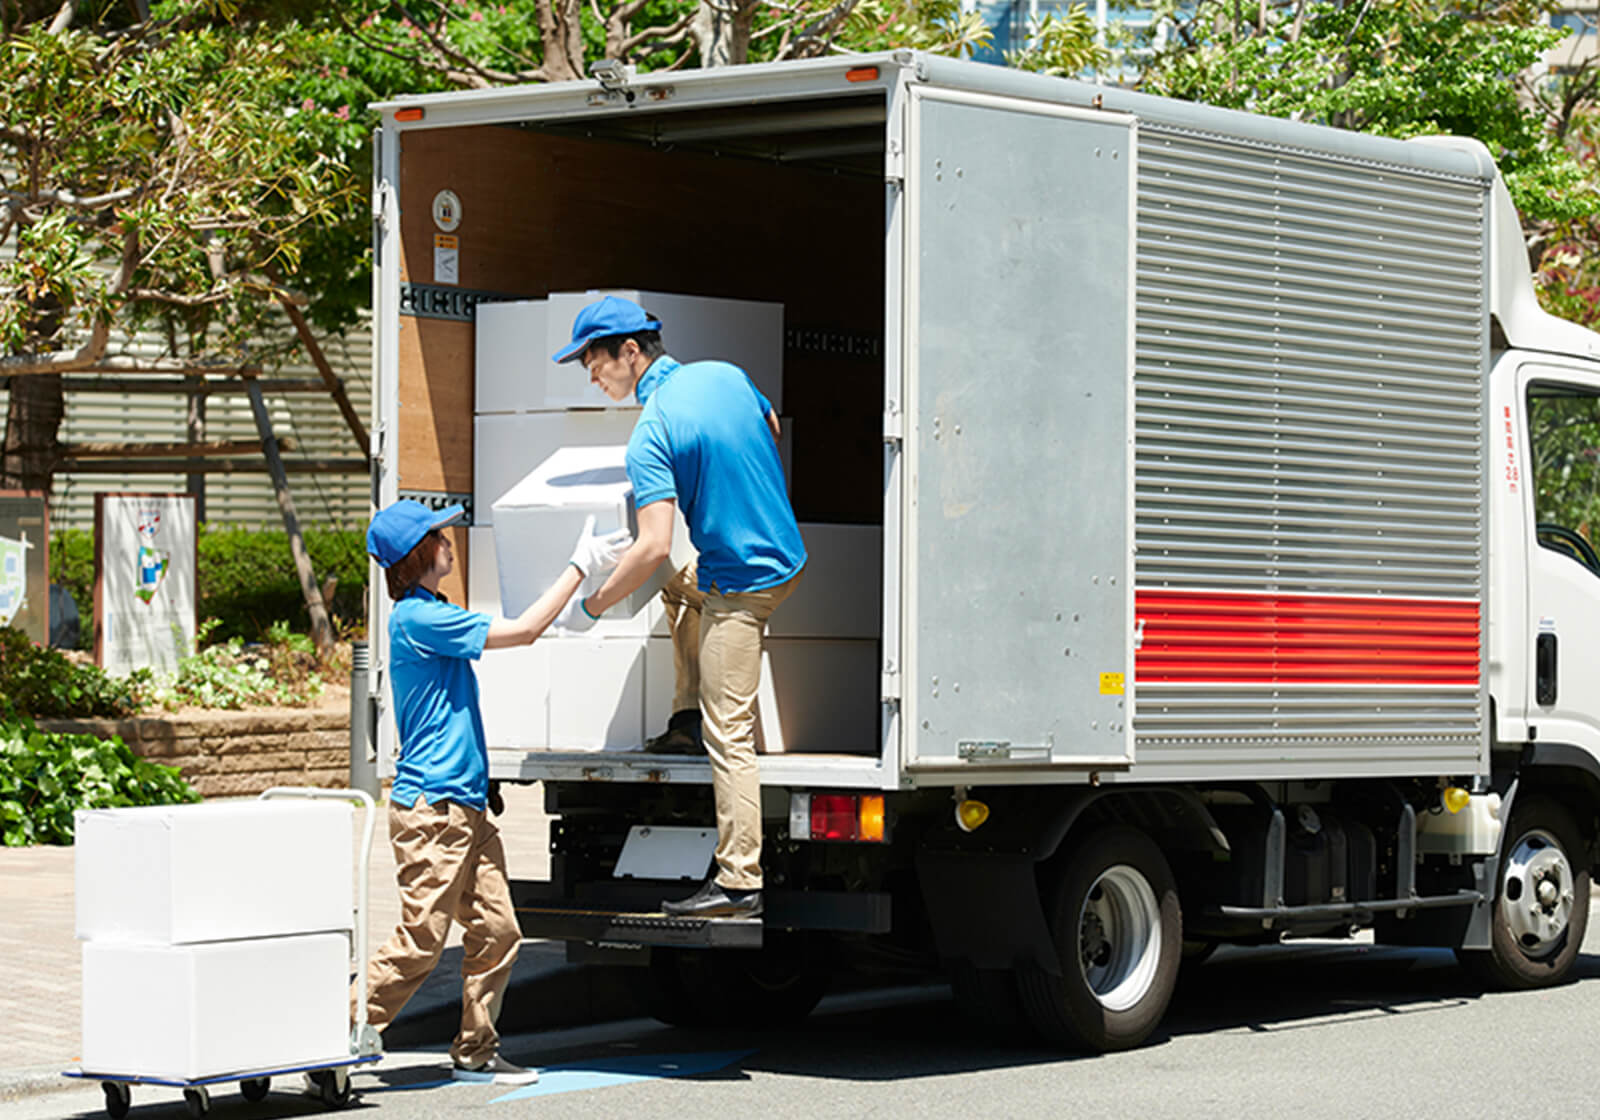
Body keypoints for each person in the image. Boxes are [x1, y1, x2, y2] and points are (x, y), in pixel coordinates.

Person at [357, 498, 630, 1085]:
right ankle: (336, 1026)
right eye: (441, 534)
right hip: (434, 812)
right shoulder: (418, 620)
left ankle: (476, 1048)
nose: (452, 539)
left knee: (499, 930)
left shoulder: (431, 609)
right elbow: (527, 630)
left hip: (465, 808)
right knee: (423, 940)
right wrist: (580, 566)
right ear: (418, 552)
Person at [552, 295, 806, 920]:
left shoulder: (651, 431)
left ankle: (740, 884)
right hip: (780, 555)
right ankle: (682, 716)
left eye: (593, 362)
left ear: (630, 352)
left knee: (731, 736)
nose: (592, 376)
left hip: (742, 588)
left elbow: (651, 545)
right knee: (675, 584)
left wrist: (592, 604)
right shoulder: (726, 374)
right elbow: (769, 424)